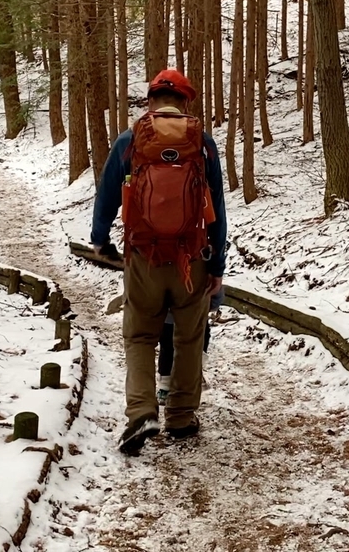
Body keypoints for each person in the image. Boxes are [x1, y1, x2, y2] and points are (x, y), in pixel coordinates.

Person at [91, 69, 227, 455]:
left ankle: (141, 413)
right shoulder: (203, 144)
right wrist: (217, 265)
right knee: (188, 337)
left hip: (143, 256)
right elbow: (216, 208)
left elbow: (107, 197)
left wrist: (100, 241)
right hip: (192, 257)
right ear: (186, 102)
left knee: (139, 335)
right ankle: (181, 417)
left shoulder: (130, 140)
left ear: (150, 100)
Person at [158, 285, 225, 405]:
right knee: (197, 346)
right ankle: (192, 378)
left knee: (167, 348)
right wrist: (213, 303)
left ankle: (165, 385)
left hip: (168, 317)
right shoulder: (201, 266)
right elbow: (215, 286)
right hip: (195, 315)